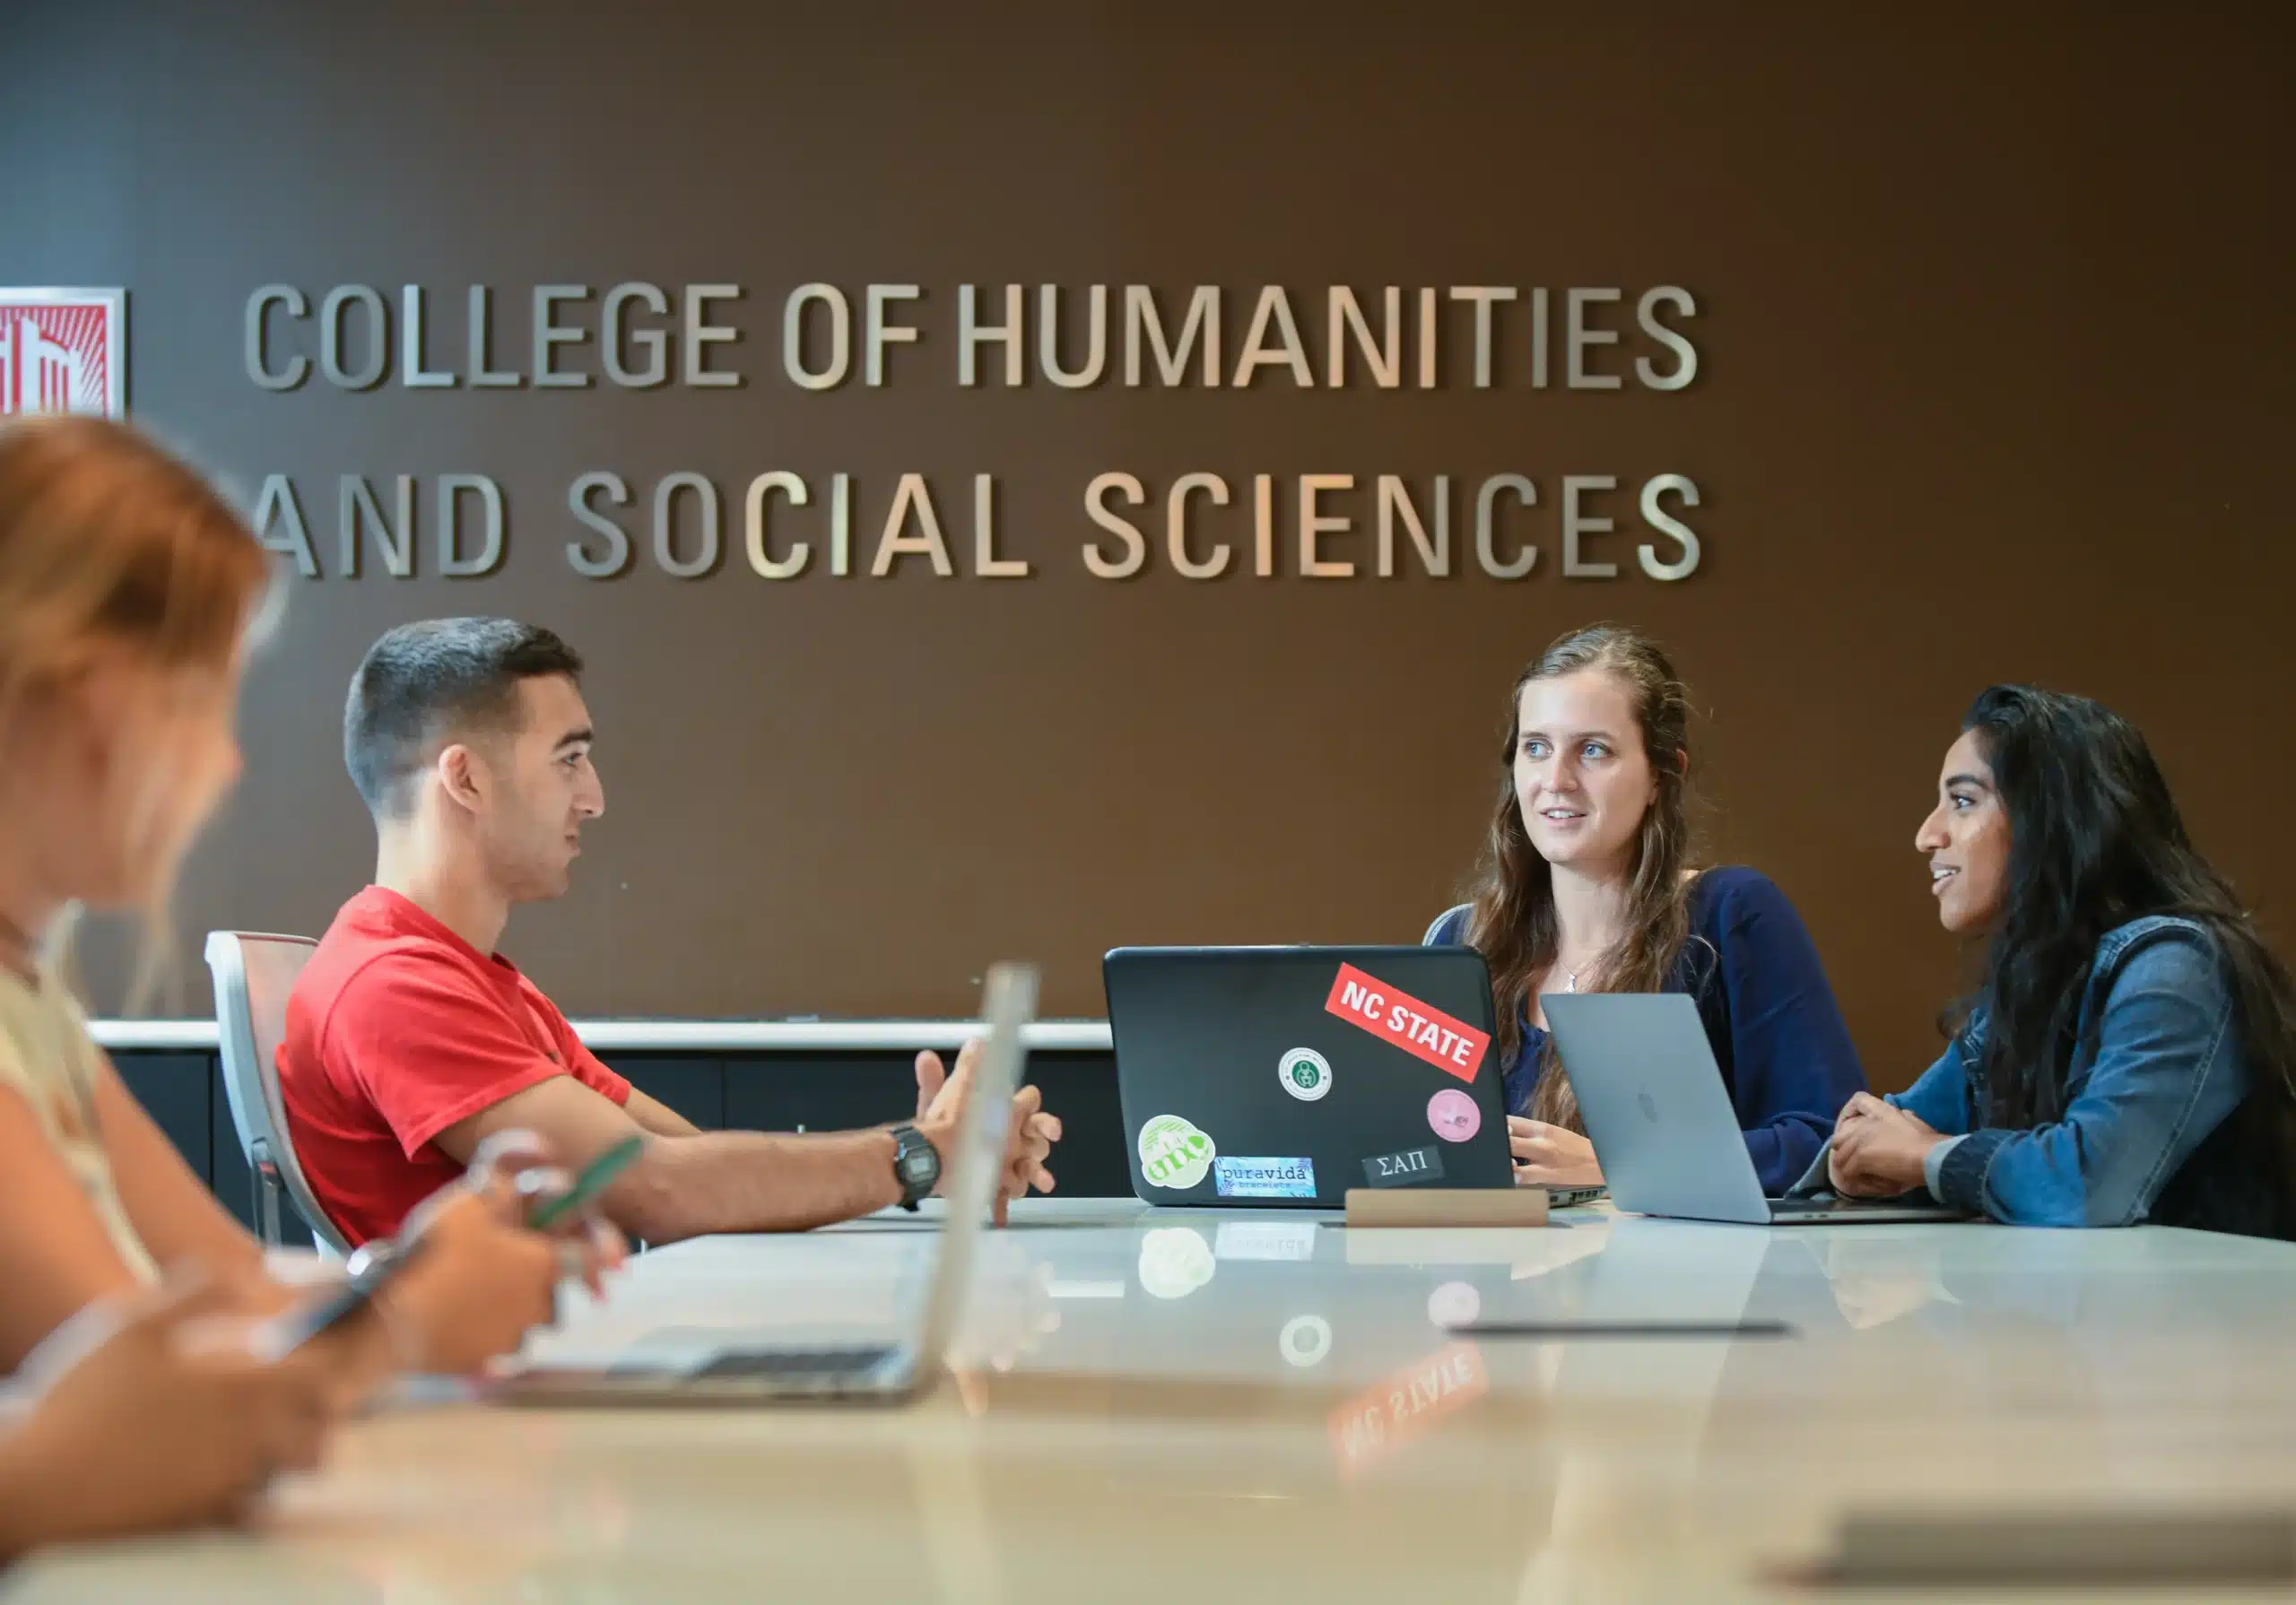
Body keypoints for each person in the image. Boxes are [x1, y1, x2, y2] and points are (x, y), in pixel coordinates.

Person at [0, 415, 612, 1381]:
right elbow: (133, 1395)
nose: (225, 756)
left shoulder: (33, 1010)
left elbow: (238, 1280)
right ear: (91, 701)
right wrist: (412, 1320)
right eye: (201, 699)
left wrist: (422, 1271)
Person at [280, 617, 1063, 1248]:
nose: (594, 798)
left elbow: (686, 1162)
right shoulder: (392, 984)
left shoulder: (477, 982)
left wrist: (929, 1150)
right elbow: (651, 1188)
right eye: (569, 760)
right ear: (465, 778)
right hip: (497, 1424)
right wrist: (918, 1157)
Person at [1822, 686, 2296, 1234]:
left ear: (2052, 819)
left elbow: (2089, 1186)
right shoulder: (2030, 980)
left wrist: (1922, 1157)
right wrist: (1849, 1162)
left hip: (2227, 1314)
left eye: (1962, 800)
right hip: (2102, 1309)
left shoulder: (2176, 965)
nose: (1927, 835)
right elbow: (1897, 1125)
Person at [1424, 623, 1868, 1194]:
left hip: (1683, 1282)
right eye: (1536, 747)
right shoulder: (1462, 941)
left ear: (1662, 775)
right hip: (1484, 1279)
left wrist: (1621, 1169)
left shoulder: (1731, 914)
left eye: (1593, 750)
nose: (1557, 780)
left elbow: (1830, 1140)